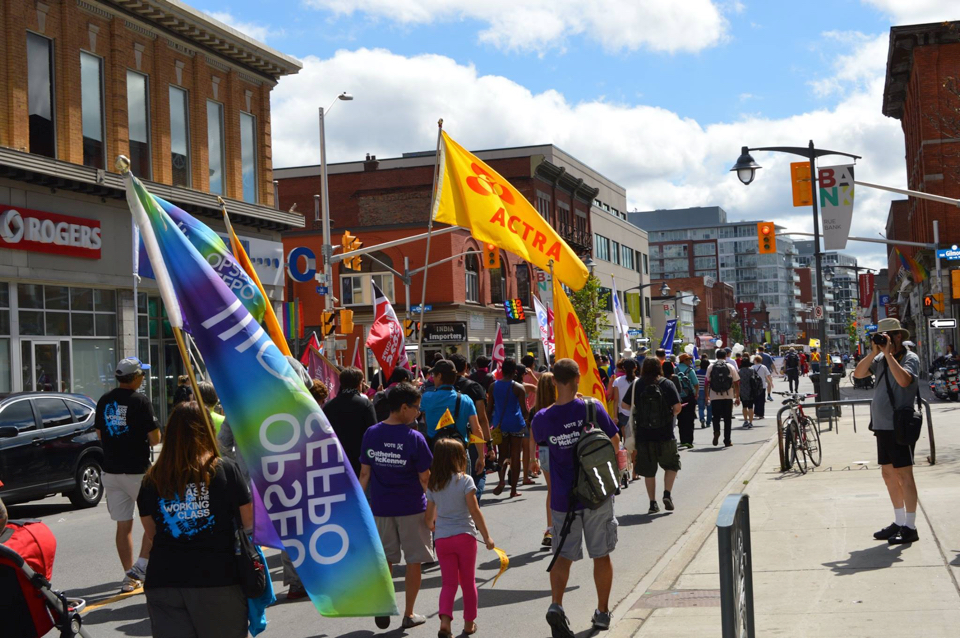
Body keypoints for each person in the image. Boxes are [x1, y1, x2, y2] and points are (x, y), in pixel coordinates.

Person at [136, 402, 251, 638]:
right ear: (208, 430)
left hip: (165, 581)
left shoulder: (151, 480)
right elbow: (249, 525)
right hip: (218, 580)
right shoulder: (226, 470)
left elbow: (152, 534)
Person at [532, 358, 620, 636]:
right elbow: (614, 442)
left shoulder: (542, 419)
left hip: (562, 499)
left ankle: (556, 605)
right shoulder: (592, 407)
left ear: (555, 382)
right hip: (596, 495)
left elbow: (543, 459)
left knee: (562, 557)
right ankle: (602, 612)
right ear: (577, 379)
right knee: (601, 555)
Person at [360, 382, 435, 629]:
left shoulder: (371, 433)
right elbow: (425, 477)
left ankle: (383, 605)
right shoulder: (415, 438)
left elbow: (364, 474)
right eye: (416, 408)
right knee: (414, 561)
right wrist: (429, 505)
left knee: (386, 561)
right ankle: (409, 614)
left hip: (381, 507)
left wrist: (360, 507)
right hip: (412, 507)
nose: (418, 413)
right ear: (403, 407)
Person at [852, 318, 923, 545]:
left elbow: (904, 381)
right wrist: (874, 353)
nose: (884, 340)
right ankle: (899, 521)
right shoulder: (880, 359)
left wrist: (890, 355)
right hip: (882, 425)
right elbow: (859, 374)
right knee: (888, 474)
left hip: (900, 426)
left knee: (904, 475)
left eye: (887, 336)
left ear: (898, 336)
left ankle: (910, 527)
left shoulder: (910, 358)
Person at [95, 357, 161, 593]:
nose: (143, 378)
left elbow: (100, 434)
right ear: (134, 378)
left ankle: (129, 576)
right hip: (137, 472)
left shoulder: (104, 400)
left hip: (111, 471)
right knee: (154, 522)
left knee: (124, 526)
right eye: (142, 374)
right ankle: (142, 566)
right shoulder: (141, 401)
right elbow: (155, 439)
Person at [426, 439, 495, 638]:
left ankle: (445, 623)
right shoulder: (465, 480)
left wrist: (433, 526)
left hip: (443, 540)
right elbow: (474, 510)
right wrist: (487, 537)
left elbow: (428, 517)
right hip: (465, 537)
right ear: (457, 459)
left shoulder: (434, 484)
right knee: (468, 582)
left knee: (448, 583)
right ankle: (468, 624)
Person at [623, 357, 682, 514]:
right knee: (672, 465)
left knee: (649, 471)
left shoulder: (637, 384)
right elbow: (677, 407)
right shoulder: (666, 383)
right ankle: (667, 493)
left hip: (643, 435)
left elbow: (624, 405)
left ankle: (652, 503)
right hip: (665, 433)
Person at [450, 354, 495, 501]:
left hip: (446, 441)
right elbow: (482, 419)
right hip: (472, 440)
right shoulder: (475, 388)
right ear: (465, 367)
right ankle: (472, 509)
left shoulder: (440, 389)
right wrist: (489, 445)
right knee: (477, 475)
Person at [324, 367, 378, 477]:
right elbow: (373, 431)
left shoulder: (329, 406)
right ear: (359, 384)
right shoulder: (365, 404)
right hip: (360, 458)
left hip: (337, 457)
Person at [487, 358, 528, 498]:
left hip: (500, 424)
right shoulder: (518, 388)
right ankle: (513, 490)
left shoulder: (493, 386)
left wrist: (487, 425)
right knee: (516, 456)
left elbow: (489, 408)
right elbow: (524, 410)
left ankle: (501, 481)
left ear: (501, 371)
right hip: (516, 423)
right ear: (515, 372)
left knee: (502, 455)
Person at [532, 372, 559, 548]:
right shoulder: (560, 407)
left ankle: (550, 528)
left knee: (551, 490)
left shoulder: (535, 411)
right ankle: (561, 525)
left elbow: (531, 438)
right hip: (560, 448)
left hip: (543, 451)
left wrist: (530, 460)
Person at [705, 350, 740, 447]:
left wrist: (706, 395)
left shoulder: (711, 367)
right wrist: (737, 396)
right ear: (725, 356)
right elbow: (736, 382)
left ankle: (716, 431)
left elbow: (706, 382)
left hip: (714, 395)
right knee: (727, 418)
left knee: (715, 417)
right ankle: (727, 440)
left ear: (716, 356)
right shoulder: (730, 366)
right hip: (728, 395)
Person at [675, 354, 699, 448]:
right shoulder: (690, 370)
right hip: (689, 397)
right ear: (683, 360)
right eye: (688, 360)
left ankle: (683, 440)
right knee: (689, 419)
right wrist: (696, 394)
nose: (690, 361)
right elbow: (696, 383)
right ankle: (689, 441)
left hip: (678, 398)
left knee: (680, 419)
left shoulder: (675, 370)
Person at [738, 360, 759, 428]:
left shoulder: (739, 371)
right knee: (750, 406)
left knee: (744, 406)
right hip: (751, 390)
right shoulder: (752, 370)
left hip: (742, 390)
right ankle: (751, 422)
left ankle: (745, 421)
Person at [751, 355, 773, 420]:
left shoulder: (752, 367)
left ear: (755, 360)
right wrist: (770, 382)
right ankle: (761, 414)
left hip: (754, 385)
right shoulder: (764, 367)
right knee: (762, 400)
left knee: (755, 399)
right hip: (762, 385)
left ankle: (756, 412)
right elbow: (767, 375)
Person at [695, 355, 712, 428]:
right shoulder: (710, 373)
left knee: (701, 407)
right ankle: (708, 422)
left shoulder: (697, 372)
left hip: (699, 391)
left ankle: (702, 419)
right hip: (709, 391)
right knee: (709, 408)